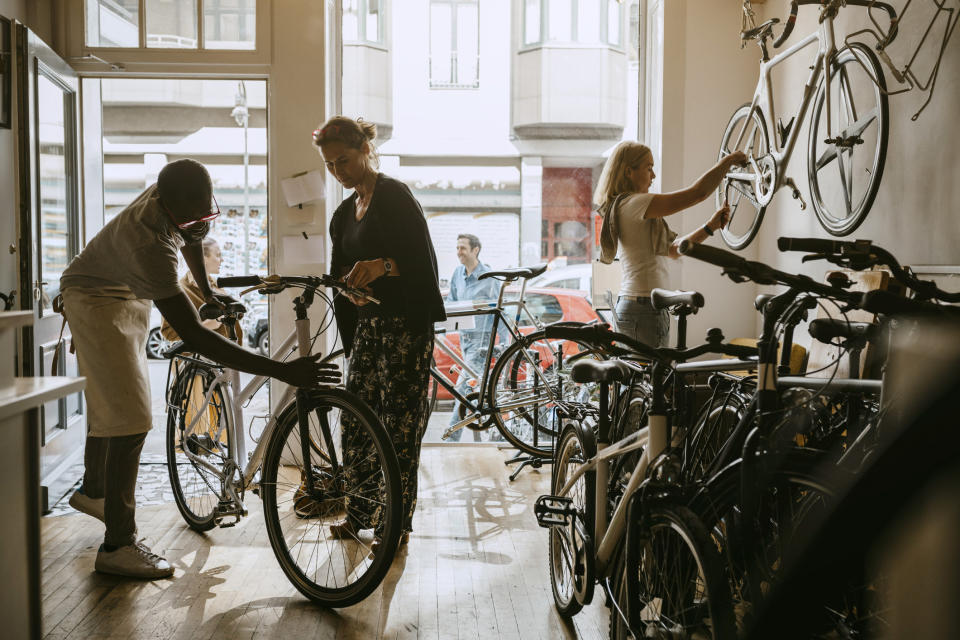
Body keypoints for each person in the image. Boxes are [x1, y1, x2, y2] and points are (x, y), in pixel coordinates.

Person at [60, 159, 338, 580]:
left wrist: (207, 291)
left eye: (207, 215)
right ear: (165, 203)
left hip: (124, 290)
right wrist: (283, 372)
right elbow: (196, 336)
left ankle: (96, 491)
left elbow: (189, 235)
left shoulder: (179, 207)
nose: (200, 225)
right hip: (94, 297)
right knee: (130, 418)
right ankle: (117, 546)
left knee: (114, 402)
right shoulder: (148, 243)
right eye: (191, 219)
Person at [314, 116, 445, 549]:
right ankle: (358, 512)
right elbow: (336, 274)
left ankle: (395, 524)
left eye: (344, 160)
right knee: (356, 422)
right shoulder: (341, 215)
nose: (339, 172)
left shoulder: (395, 196)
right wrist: (346, 290)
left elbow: (424, 265)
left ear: (366, 150)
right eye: (331, 165)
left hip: (406, 329)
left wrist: (383, 266)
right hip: (369, 330)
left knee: (399, 426)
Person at [594, 143, 747, 347]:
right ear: (628, 172)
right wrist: (728, 161)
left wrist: (710, 227)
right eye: (648, 168)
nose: (654, 175)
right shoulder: (635, 203)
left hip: (639, 305)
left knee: (644, 377)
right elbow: (698, 193)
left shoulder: (625, 206)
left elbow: (674, 251)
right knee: (654, 377)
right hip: (644, 307)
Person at [445, 233, 509, 442]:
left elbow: (499, 309)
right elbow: (453, 303)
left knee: (464, 387)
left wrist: (504, 340)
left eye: (463, 248)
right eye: (457, 248)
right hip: (465, 339)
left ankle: (452, 436)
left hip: (481, 341)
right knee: (479, 390)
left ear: (475, 250)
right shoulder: (457, 274)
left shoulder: (488, 277)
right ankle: (496, 433)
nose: (459, 252)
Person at [159, 237, 242, 344]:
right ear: (202, 257)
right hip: (196, 359)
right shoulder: (180, 289)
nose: (222, 260)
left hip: (224, 357)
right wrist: (206, 326)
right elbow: (169, 333)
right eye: (217, 255)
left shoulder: (216, 286)